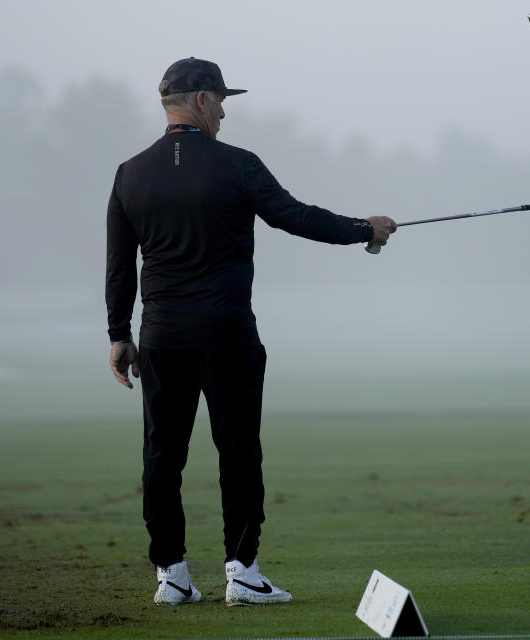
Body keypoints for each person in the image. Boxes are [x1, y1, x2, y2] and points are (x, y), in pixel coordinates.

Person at [105, 57, 397, 606]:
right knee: (237, 452)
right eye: (220, 101)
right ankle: (242, 572)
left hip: (161, 338)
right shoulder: (236, 165)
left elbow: (120, 264)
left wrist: (119, 334)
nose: (224, 113)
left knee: (161, 456)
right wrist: (365, 229)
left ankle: (171, 575)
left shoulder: (130, 172)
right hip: (226, 334)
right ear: (198, 101)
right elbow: (296, 216)